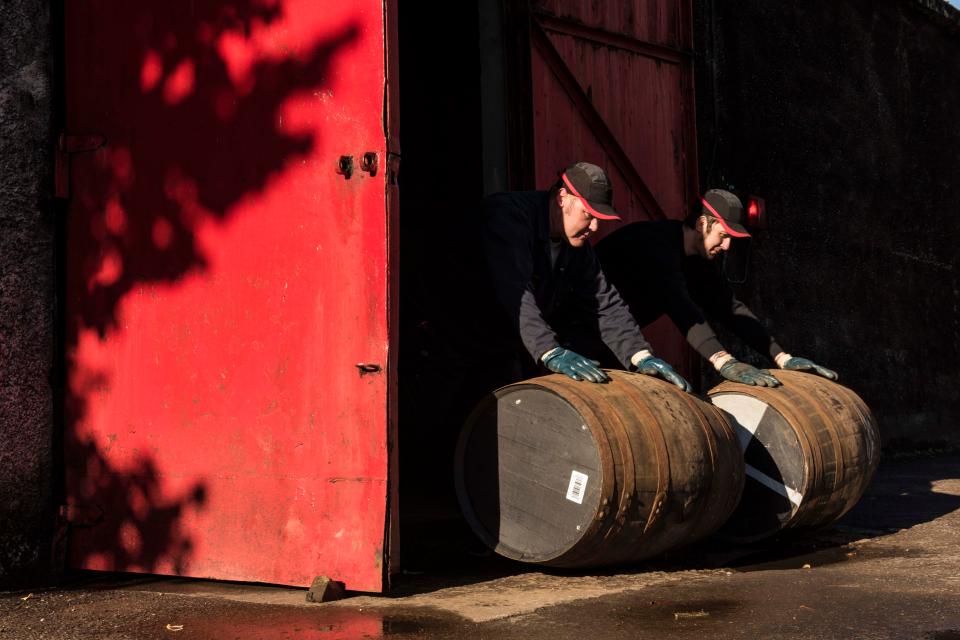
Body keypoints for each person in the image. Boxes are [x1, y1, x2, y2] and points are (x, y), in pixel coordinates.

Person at [453, 161, 691, 392]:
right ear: (562, 198)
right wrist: (549, 350)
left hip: (504, 347)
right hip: (453, 340)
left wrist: (640, 355)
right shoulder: (509, 217)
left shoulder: (577, 248)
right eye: (589, 214)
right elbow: (515, 289)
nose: (596, 227)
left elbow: (604, 302)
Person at [595, 188, 837, 387]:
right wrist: (724, 362)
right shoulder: (657, 245)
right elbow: (679, 305)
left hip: (611, 342)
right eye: (724, 235)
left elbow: (730, 309)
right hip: (577, 333)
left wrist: (782, 356)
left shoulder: (698, 262)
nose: (728, 245)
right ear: (702, 224)